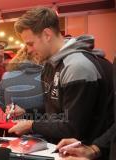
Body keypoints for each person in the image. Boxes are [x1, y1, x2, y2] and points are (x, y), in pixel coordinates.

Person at [8, 7, 114, 146]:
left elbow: (73, 128)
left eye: (30, 43)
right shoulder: (49, 65)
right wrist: (26, 112)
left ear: (47, 34)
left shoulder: (77, 66)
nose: (28, 50)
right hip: (65, 148)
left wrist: (31, 125)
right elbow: (56, 108)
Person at [0, 47, 44, 115]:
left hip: (12, 122)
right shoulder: (46, 75)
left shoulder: (6, 76)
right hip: (39, 122)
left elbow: (1, 104)